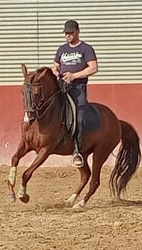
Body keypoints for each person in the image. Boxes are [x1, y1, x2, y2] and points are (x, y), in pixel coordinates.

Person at [52, 20, 98, 167]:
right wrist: (55, 71)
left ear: (78, 32)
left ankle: (77, 150)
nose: (68, 36)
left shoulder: (86, 49)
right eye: (66, 33)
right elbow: (56, 65)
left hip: (78, 87)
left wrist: (74, 76)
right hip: (62, 86)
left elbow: (93, 68)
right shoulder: (61, 49)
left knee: (79, 117)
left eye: (71, 33)